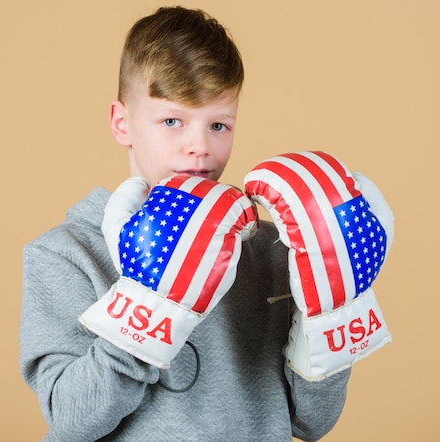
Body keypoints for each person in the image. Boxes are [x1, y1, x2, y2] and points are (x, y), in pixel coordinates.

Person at [20, 7, 353, 441]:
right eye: (172, 121)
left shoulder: (274, 247)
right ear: (123, 123)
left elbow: (312, 422)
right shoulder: (67, 253)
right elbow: (70, 420)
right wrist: (146, 304)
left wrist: (330, 316)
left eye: (219, 125)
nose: (199, 146)